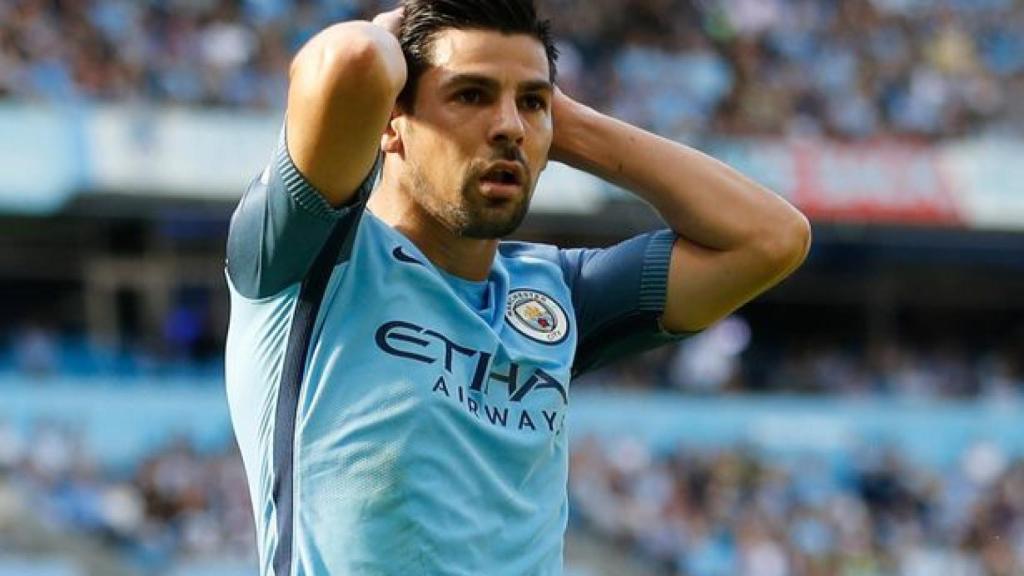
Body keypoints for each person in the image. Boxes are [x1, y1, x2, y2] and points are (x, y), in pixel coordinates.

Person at [224, 1, 810, 574]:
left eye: (531, 102)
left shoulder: (558, 292)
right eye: (470, 95)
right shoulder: (306, 257)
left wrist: (560, 123)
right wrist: (391, 33)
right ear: (391, 125)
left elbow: (772, 236)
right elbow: (352, 58)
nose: (508, 127)